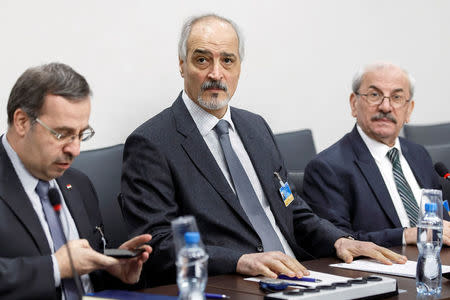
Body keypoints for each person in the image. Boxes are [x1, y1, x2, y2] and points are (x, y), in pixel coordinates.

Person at [121, 15, 406, 287]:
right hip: (233, 284)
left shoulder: (255, 127)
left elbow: (292, 209)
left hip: (299, 274)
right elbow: (156, 244)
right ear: (182, 65)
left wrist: (339, 241)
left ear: (239, 67)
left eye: (228, 60)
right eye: (202, 59)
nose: (216, 73)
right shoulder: (151, 143)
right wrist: (241, 261)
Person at [0, 62, 152, 299]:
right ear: (21, 121)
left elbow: (86, 280)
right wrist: (55, 267)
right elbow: (61, 268)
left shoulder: (78, 184)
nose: (75, 149)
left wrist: (112, 269)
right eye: (62, 134)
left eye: (81, 135)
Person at [303, 62, 450, 248]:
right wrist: (406, 235)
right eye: (374, 95)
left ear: (409, 110)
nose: (386, 107)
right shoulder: (327, 167)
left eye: (397, 97)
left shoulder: (418, 154)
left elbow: (440, 226)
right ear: (354, 104)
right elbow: (338, 242)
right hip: (382, 270)